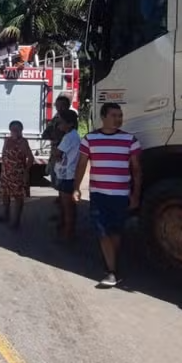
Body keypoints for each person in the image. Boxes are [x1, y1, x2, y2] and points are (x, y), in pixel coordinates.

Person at [73, 102, 141, 288]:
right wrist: (76, 187)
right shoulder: (90, 139)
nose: (118, 119)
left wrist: (135, 195)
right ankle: (112, 271)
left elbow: (136, 170)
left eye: (120, 115)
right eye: (114, 115)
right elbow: (81, 165)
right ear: (103, 117)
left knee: (116, 232)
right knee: (102, 232)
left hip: (121, 195)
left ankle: (111, 262)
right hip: (99, 195)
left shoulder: (130, 140)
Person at [0, 120, 33, 229]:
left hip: (18, 174)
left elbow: (31, 158)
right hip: (6, 173)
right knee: (5, 194)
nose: (15, 132)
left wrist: (26, 171)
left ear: (21, 130)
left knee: (18, 197)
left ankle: (16, 220)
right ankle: (6, 214)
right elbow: (3, 154)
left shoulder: (23, 142)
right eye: (13, 130)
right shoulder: (7, 140)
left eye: (17, 130)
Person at [53, 110, 81, 240]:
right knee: (69, 207)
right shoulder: (74, 135)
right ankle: (68, 230)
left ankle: (67, 234)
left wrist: (55, 152)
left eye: (61, 122)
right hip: (70, 174)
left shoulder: (68, 137)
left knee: (67, 207)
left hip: (67, 175)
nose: (59, 125)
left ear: (69, 124)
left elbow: (57, 153)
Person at [43, 95, 76, 183]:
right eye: (57, 106)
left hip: (66, 152)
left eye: (62, 105)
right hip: (56, 150)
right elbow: (45, 133)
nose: (59, 108)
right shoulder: (56, 118)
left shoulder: (70, 116)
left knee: (63, 179)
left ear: (68, 106)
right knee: (55, 175)